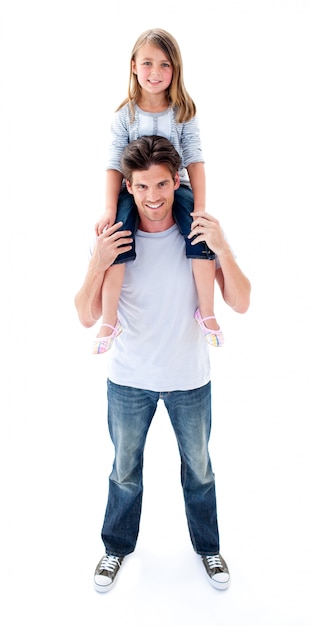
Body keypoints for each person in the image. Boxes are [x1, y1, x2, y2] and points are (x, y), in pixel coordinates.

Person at [74, 135, 251, 593]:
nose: (153, 197)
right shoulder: (116, 241)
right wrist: (96, 263)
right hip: (128, 380)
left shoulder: (196, 238)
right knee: (124, 471)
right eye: (141, 187)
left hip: (189, 380)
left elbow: (243, 302)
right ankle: (115, 548)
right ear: (128, 190)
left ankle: (208, 547)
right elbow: (85, 315)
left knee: (200, 471)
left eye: (161, 184)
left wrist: (223, 246)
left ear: (176, 181)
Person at [93, 27, 224, 354]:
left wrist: (199, 208)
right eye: (148, 63)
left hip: (174, 188)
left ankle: (206, 312)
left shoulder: (183, 111)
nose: (155, 72)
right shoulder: (126, 115)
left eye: (165, 64)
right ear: (134, 66)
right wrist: (110, 208)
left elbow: (194, 159)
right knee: (117, 238)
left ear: (175, 70)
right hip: (133, 190)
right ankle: (110, 320)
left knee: (199, 238)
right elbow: (113, 163)